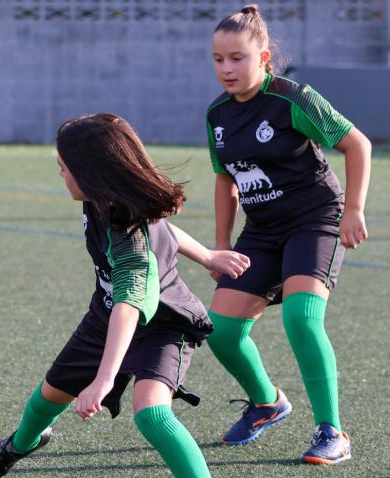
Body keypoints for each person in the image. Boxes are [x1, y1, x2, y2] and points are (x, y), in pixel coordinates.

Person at [0, 113, 251, 478]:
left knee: (152, 413)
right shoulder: (110, 199)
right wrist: (207, 256)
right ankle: (21, 444)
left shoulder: (128, 240)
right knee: (47, 398)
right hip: (105, 317)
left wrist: (103, 381)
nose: (60, 170)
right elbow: (164, 228)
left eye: (65, 165)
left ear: (91, 170)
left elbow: (129, 305)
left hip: (163, 326)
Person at [204, 3, 371, 465]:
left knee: (302, 317)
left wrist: (353, 210)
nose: (226, 68)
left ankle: (331, 431)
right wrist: (221, 245)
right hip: (262, 230)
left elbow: (356, 143)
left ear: (264, 58)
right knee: (220, 331)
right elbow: (226, 179)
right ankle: (266, 403)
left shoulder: (292, 98)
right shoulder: (217, 113)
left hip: (314, 220)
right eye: (218, 59)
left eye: (237, 58)